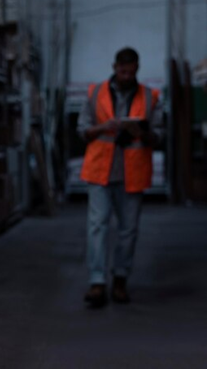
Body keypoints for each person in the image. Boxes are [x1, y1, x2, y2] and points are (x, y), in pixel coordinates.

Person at [77, 47, 164, 308]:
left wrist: (142, 131)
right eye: (122, 71)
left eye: (131, 71)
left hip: (132, 172)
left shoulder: (150, 97)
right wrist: (103, 127)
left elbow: (159, 134)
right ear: (114, 67)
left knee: (128, 230)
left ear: (137, 68)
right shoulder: (95, 93)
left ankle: (120, 280)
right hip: (100, 171)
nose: (126, 76)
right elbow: (82, 130)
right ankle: (97, 283)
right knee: (97, 227)